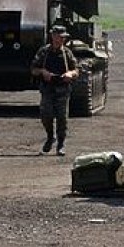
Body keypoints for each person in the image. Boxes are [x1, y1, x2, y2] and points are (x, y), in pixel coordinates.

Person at [30, 25, 79, 156]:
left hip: (62, 89)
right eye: (58, 37)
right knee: (46, 115)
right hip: (47, 88)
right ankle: (50, 137)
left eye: (62, 38)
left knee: (62, 118)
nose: (60, 40)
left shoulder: (67, 53)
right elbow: (33, 69)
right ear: (53, 36)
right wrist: (43, 72)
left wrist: (70, 74)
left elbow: (76, 70)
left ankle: (61, 144)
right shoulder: (44, 52)